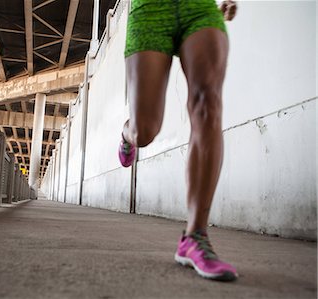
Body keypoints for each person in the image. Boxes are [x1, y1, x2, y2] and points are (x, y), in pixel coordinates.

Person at [118, 0, 238, 281]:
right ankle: (127, 134)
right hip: (149, 10)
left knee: (208, 103)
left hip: (199, 8)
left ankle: (195, 236)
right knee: (144, 131)